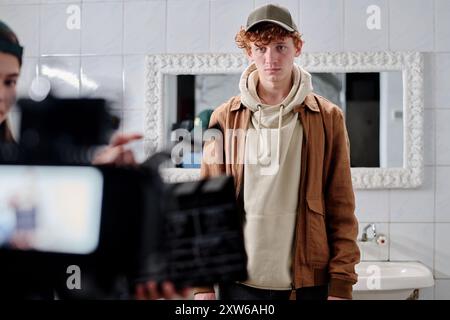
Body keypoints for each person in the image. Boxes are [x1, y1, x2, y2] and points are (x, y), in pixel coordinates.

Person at [0, 20, 189, 300]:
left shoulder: (21, 161)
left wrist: (94, 183)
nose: (3, 96)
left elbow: (58, 269)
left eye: (10, 81)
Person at [194, 4, 360, 300]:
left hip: (307, 284)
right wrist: (203, 285)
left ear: (298, 47)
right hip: (238, 284)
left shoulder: (327, 117)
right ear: (249, 52)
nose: (270, 59)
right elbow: (207, 206)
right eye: (261, 48)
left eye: (280, 47)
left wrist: (341, 284)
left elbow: (341, 206)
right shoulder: (224, 117)